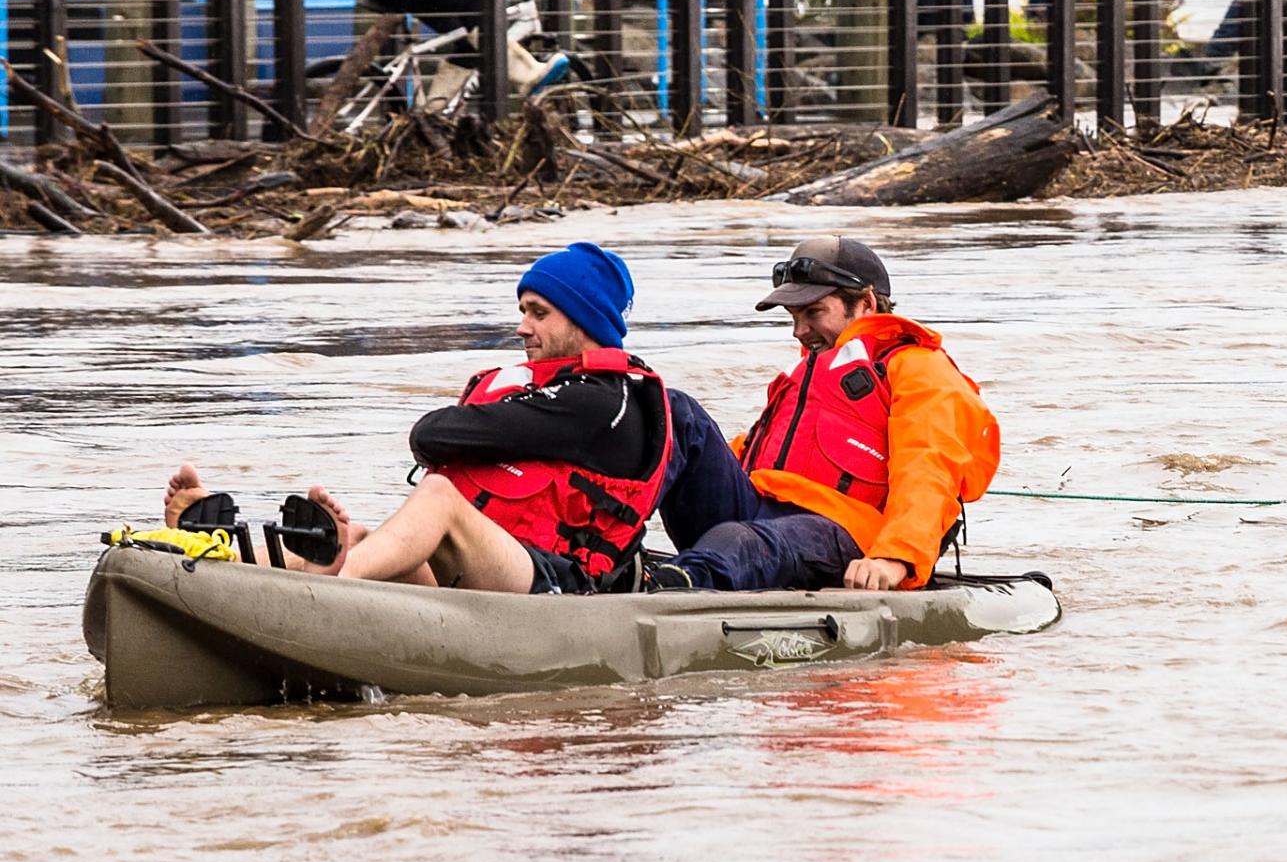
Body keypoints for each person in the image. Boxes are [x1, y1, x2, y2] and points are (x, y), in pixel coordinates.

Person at [162, 245, 671, 596]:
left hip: (562, 584)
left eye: (539, 313)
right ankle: (219, 551)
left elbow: (432, 435)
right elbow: (440, 437)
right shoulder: (549, 392)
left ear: (583, 319)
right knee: (363, 539)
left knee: (439, 500)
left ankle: (324, 587)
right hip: (491, 571)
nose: (522, 327)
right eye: (523, 311)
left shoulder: (599, 403)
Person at [644, 235, 1000, 595]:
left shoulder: (919, 368)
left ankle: (669, 586)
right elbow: (747, 455)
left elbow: (929, 468)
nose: (799, 331)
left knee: (740, 541)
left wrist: (895, 560)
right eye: (794, 317)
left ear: (866, 304)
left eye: (813, 313)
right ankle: (602, 549)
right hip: (757, 514)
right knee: (672, 410)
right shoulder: (805, 373)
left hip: (846, 533)